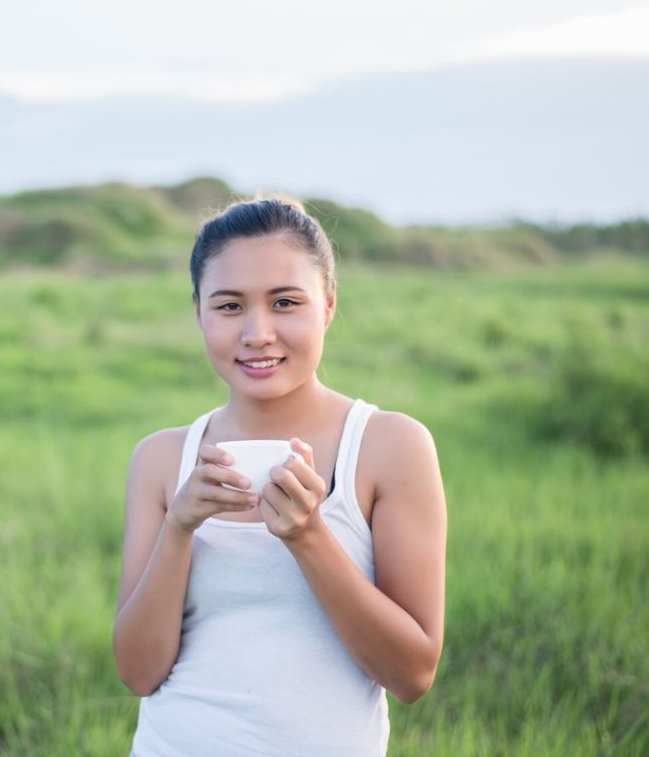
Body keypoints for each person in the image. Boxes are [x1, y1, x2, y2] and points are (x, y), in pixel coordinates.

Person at [112, 196, 447, 756]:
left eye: (286, 302)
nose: (258, 332)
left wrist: (308, 536)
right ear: (198, 312)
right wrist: (178, 528)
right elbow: (137, 673)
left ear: (329, 305)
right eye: (229, 306)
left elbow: (411, 675)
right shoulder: (161, 459)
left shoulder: (391, 446)